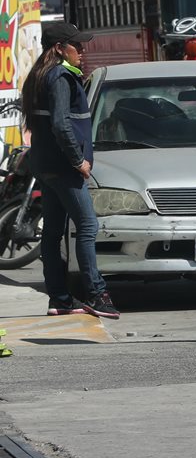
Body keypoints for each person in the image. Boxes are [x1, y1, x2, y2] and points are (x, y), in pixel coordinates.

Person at [26, 21, 119, 320]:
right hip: (64, 168)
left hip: (45, 165)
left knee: (52, 234)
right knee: (88, 227)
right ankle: (96, 294)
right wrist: (78, 161)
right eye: (75, 45)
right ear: (58, 49)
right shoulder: (61, 77)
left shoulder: (40, 76)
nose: (82, 49)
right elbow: (60, 124)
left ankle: (60, 299)